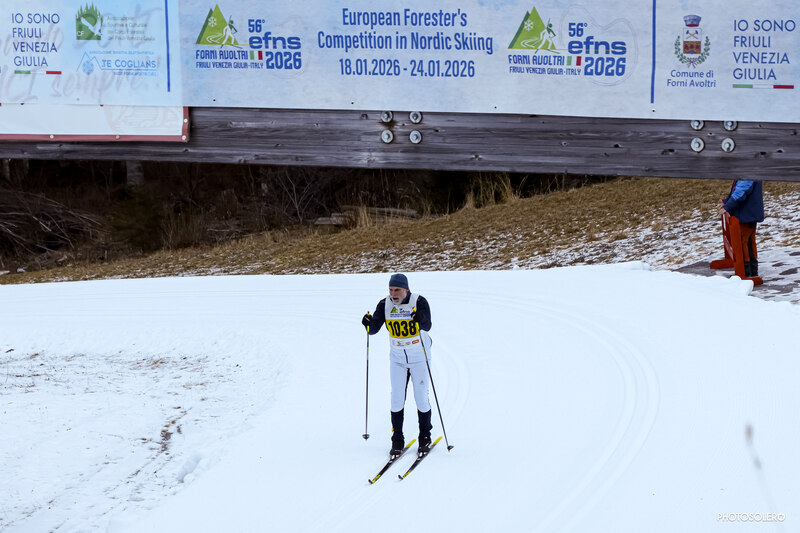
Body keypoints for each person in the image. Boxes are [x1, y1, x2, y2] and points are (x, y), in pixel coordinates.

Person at [362, 273, 433, 458]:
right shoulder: (384, 304)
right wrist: (367, 324)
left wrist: (420, 318)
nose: (393, 294)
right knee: (396, 398)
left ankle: (425, 436)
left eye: (397, 290)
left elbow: (428, 325)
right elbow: (373, 329)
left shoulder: (419, 301)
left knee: (421, 398)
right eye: (391, 290)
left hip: (419, 357)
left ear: (406, 290)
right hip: (398, 359)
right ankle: (397, 439)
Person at [717, 179, 764, 277]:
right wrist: (726, 203)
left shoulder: (748, 173)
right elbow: (736, 190)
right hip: (748, 213)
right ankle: (750, 271)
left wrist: (727, 207)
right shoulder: (747, 172)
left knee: (744, 242)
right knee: (748, 241)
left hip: (747, 214)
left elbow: (740, 192)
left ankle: (747, 272)